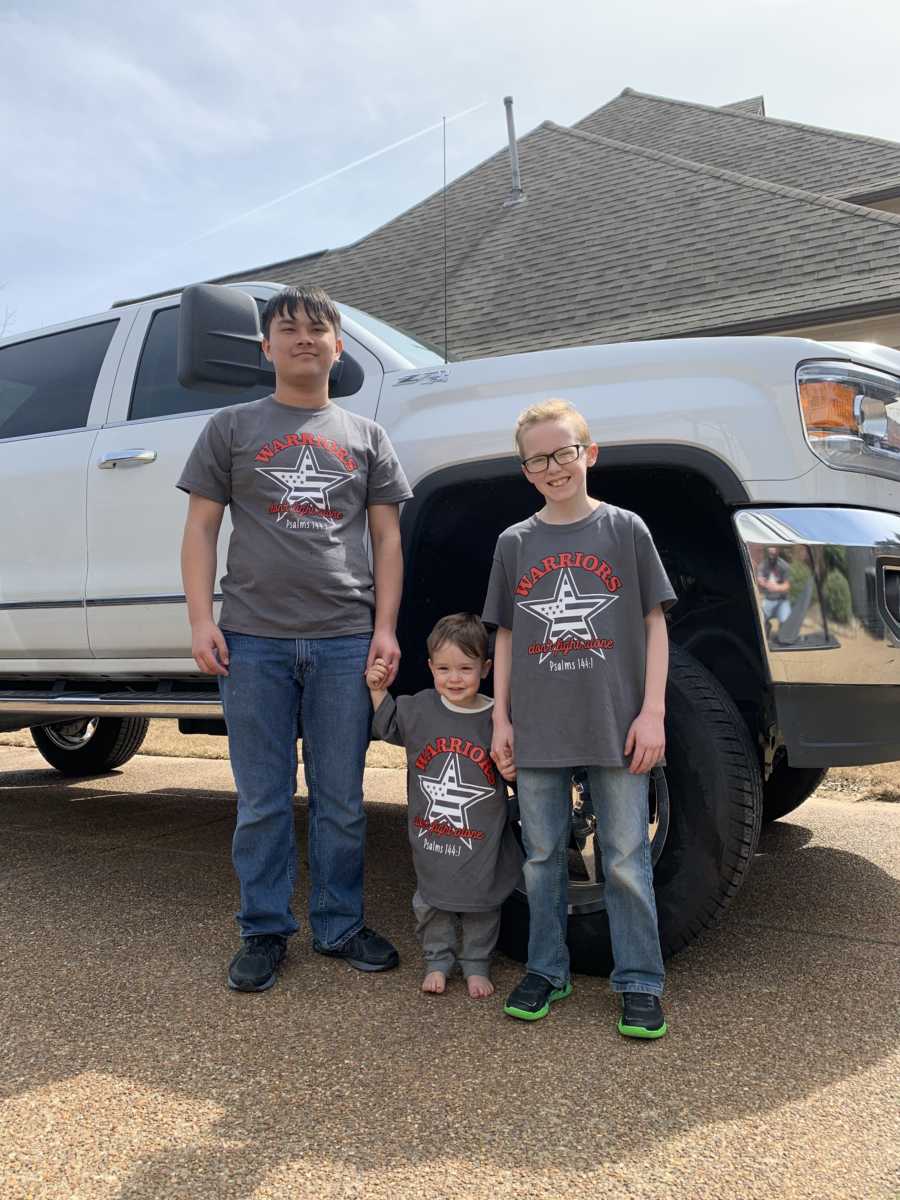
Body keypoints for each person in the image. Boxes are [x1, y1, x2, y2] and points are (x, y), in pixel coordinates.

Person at [178, 285, 413, 992]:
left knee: (342, 797)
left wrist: (386, 629)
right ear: (266, 347)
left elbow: (387, 538)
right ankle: (264, 929)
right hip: (253, 641)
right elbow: (200, 529)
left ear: (338, 347)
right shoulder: (232, 428)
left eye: (318, 329)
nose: (304, 338)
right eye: (289, 328)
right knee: (263, 799)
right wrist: (200, 619)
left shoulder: (367, 437)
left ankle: (339, 927)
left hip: (345, 640)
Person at [482, 398, 676, 1038]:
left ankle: (640, 979)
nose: (553, 466)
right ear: (526, 471)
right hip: (538, 726)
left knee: (623, 857)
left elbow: (654, 622)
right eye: (538, 458)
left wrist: (653, 713)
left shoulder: (626, 530)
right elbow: (506, 635)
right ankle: (546, 969)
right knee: (541, 856)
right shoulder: (515, 542)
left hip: (616, 724)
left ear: (588, 454)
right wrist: (500, 720)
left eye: (563, 452)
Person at [366, 614, 522, 999]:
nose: (455, 678)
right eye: (445, 668)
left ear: (486, 669)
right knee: (431, 901)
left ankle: (476, 964)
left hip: (480, 841)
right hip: (433, 837)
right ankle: (437, 960)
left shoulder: (495, 718)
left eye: (466, 668)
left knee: (482, 903)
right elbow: (387, 725)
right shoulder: (420, 710)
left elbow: (514, 773)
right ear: (430, 667)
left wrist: (512, 770)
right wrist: (376, 689)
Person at [756, 546, 792, 628]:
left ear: (778, 550)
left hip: (782, 600)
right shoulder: (763, 564)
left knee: (786, 622)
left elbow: (787, 585)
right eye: (770, 548)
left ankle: (781, 638)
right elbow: (759, 579)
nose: (772, 551)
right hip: (768, 599)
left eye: (774, 548)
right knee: (760, 620)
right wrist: (762, 583)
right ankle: (767, 630)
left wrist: (776, 587)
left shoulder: (784, 565)